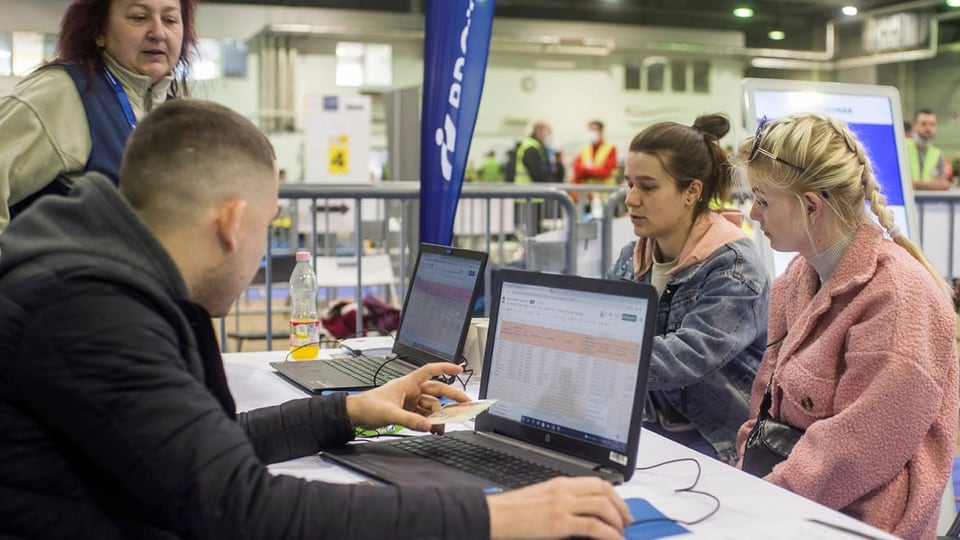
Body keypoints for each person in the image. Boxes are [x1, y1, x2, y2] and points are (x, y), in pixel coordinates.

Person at [0, 99, 632, 539]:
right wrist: (503, 519)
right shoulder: (89, 311)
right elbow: (242, 510)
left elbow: (196, 453)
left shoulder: (88, 271)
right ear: (232, 223)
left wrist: (352, 410)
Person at [734, 113, 958, 538]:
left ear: (811, 206)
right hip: (793, 502)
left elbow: (856, 449)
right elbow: (764, 405)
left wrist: (756, 499)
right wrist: (742, 479)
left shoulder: (896, 296)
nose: (752, 214)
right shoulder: (795, 279)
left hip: (860, 522)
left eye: (763, 200)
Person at [605, 114, 770, 465]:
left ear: (692, 191)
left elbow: (688, 355)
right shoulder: (631, 258)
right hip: (648, 427)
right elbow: (604, 328)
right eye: (629, 184)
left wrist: (594, 350)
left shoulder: (734, 266)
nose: (631, 199)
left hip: (717, 442)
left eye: (647, 187)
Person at [0, 0, 197, 232]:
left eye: (170, 20)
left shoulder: (179, 118)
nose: (158, 32)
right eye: (139, 17)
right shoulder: (61, 92)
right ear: (99, 32)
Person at [906, 108, 952, 191]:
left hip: (929, 202)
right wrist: (930, 185)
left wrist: (917, 184)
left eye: (932, 124)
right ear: (914, 126)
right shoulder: (902, 148)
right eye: (923, 124)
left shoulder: (937, 153)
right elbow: (899, 183)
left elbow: (942, 185)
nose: (928, 128)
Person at [571, 120, 618, 187]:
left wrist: (585, 171)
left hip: (604, 191)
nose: (592, 132)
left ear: (601, 132)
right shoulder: (584, 150)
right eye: (590, 130)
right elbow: (577, 170)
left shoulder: (610, 148)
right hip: (587, 192)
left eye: (595, 129)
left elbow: (606, 172)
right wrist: (595, 170)